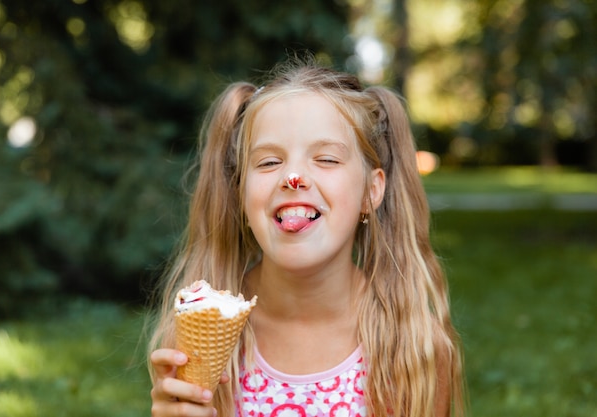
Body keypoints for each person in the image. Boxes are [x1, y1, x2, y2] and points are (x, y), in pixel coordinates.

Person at [148, 58, 466, 417]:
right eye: (268, 162)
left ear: (371, 191)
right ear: (239, 192)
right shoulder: (201, 343)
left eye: (327, 159)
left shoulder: (413, 349)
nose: (294, 177)